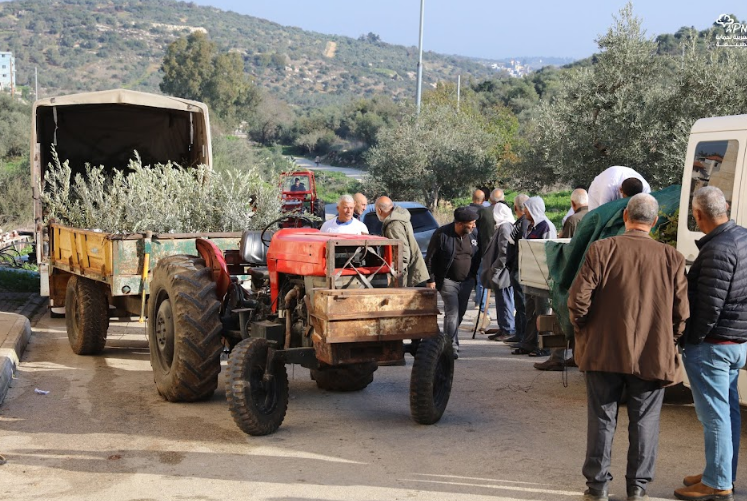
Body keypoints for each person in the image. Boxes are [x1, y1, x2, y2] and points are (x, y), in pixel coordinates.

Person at [568, 193, 689, 501]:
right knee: (645, 422)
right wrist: (668, 340)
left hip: (603, 350)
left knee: (602, 419)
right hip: (651, 353)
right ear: (656, 220)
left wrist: (585, 331)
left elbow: (578, 300)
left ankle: (598, 488)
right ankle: (637, 488)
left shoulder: (602, 249)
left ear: (625, 217)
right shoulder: (672, 257)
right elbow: (681, 313)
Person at [674, 187, 747, 501]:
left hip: (714, 345)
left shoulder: (718, 248)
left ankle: (718, 483)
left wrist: (692, 339)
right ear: (726, 208)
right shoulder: (742, 237)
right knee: (727, 412)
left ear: (698, 215)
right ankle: (719, 473)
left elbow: (709, 306)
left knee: (714, 416)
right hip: (734, 342)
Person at [535, 188, 589, 370]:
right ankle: (576, 356)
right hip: (587, 276)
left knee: (559, 315)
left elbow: (566, 248)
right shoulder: (594, 216)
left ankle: (556, 357)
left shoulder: (573, 220)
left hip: (571, 276)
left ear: (573, 204)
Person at [425, 207, 480, 359]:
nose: (474, 225)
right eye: (471, 223)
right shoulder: (442, 234)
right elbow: (430, 258)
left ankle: (448, 339)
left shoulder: (473, 234)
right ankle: (451, 347)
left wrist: (474, 277)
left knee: (459, 313)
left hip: (467, 281)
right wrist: (431, 279)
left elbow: (477, 256)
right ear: (460, 223)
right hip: (448, 280)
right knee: (452, 313)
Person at [512, 196, 556, 356]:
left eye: (527, 209)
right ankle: (528, 343)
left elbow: (550, 252)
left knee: (542, 313)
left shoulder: (546, 227)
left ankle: (544, 347)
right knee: (530, 312)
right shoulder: (531, 227)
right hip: (530, 278)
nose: (525, 212)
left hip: (542, 279)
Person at [480, 200, 516, 341]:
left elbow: (505, 251)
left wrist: (495, 268)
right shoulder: (502, 226)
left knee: (506, 301)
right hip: (500, 272)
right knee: (501, 301)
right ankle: (503, 328)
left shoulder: (505, 227)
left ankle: (508, 329)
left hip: (502, 273)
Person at [375, 196, 429, 287]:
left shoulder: (393, 225)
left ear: (379, 210)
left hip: (402, 275)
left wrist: (393, 274)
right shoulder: (400, 218)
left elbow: (403, 254)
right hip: (405, 271)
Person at [502, 194, 530, 344]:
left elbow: (521, 246)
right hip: (515, 268)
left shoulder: (524, 222)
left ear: (515, 207)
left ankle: (523, 336)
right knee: (519, 304)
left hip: (519, 269)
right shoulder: (520, 222)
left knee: (522, 304)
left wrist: (515, 266)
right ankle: (519, 334)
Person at [470, 189, 489, 311]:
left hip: (467, 250)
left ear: (472, 199)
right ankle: (481, 306)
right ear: (483, 200)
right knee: (481, 278)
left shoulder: (464, 211)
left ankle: (477, 301)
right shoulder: (485, 212)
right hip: (481, 249)